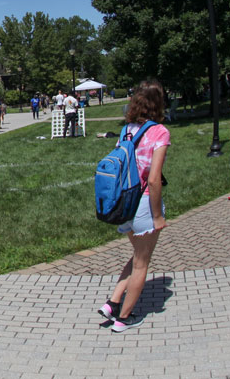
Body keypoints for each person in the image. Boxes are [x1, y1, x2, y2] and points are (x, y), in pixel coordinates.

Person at [97, 79, 170, 333]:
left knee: (137, 255)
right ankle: (124, 317)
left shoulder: (127, 130)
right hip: (144, 203)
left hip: (124, 203)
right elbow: (153, 178)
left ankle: (113, 302)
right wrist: (158, 215)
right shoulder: (159, 132)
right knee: (142, 263)